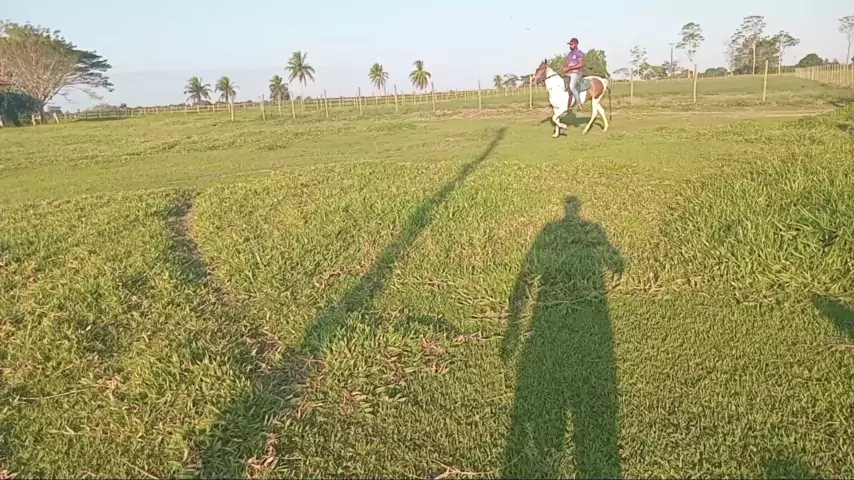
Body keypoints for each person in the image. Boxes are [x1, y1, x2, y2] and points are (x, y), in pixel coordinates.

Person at [561, 38, 585, 110]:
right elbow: (569, 65)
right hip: (570, 72)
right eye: (570, 44)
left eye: (572, 44)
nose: (570, 46)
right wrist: (564, 67)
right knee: (562, 84)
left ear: (576, 44)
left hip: (578, 72)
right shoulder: (569, 54)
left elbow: (581, 64)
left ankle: (579, 103)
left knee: (571, 86)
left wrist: (569, 68)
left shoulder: (579, 53)